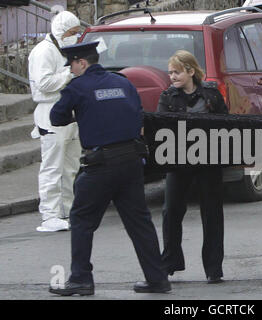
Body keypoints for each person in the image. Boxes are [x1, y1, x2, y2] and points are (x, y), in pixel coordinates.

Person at [48, 42, 170, 296]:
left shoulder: (77, 87)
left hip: (101, 164)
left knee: (81, 219)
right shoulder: (123, 82)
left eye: (71, 65)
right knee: (139, 222)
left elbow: (56, 117)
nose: (70, 70)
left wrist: (80, 114)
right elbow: (138, 114)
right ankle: (157, 278)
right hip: (131, 161)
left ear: (82, 62)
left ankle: (81, 278)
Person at [157, 50, 228, 284]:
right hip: (178, 162)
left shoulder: (211, 94)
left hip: (208, 162)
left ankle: (214, 268)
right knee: (171, 211)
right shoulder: (167, 97)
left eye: (177, 72)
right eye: (170, 73)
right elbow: (161, 127)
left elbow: (226, 124)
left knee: (212, 213)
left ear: (190, 71)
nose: (172, 77)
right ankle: (169, 263)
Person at [28, 11, 82, 232]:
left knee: (70, 167)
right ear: (61, 31)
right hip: (50, 113)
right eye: (72, 33)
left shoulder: (64, 49)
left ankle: (67, 210)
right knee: (52, 167)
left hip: (69, 114)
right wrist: (69, 73)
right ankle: (49, 214)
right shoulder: (43, 52)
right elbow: (44, 85)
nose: (75, 37)